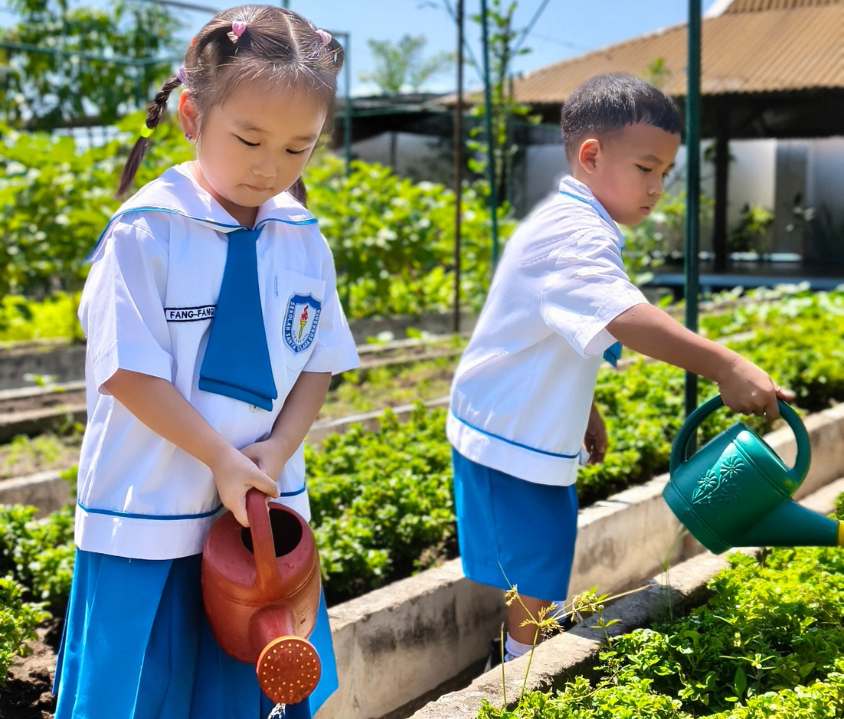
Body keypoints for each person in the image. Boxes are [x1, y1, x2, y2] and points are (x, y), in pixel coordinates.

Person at [53, 6, 358, 718]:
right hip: (150, 519)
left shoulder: (303, 238)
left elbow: (318, 361)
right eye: (249, 139)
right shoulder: (145, 233)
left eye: (299, 147)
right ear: (191, 115)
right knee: (141, 694)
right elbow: (128, 372)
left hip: (264, 534)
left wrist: (277, 449)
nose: (270, 167)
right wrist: (221, 459)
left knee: (249, 692)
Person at [447, 74, 794, 665]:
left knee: (545, 546)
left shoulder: (580, 222)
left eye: (665, 172)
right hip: (508, 430)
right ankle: (516, 669)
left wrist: (582, 406)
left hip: (524, 420)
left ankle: (526, 647)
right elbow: (622, 314)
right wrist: (726, 365)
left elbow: (557, 331)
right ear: (591, 156)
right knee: (535, 558)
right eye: (645, 168)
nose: (658, 186)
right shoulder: (571, 231)